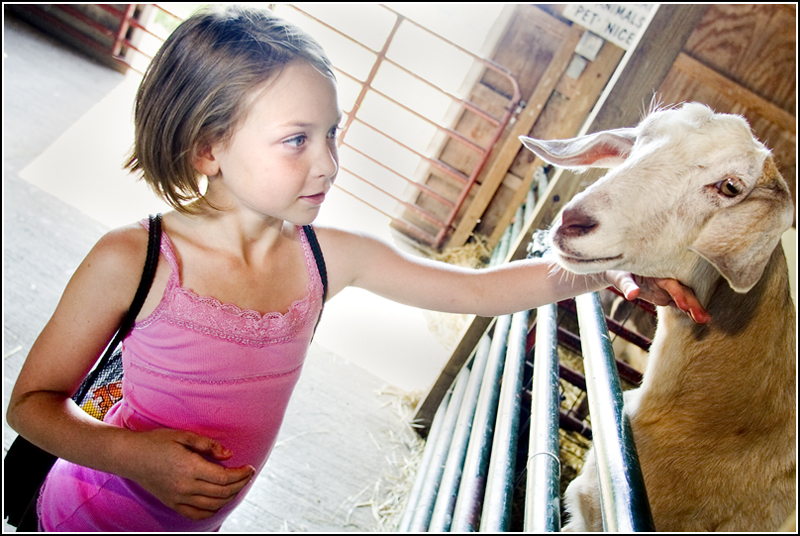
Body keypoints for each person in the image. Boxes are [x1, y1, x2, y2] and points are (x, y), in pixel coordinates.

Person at [6, 5, 710, 532]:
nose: (329, 164)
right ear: (206, 149)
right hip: (86, 513)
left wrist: (618, 266)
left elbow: (482, 290)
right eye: (295, 140)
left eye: (332, 134)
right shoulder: (136, 259)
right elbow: (30, 405)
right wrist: (137, 458)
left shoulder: (326, 258)